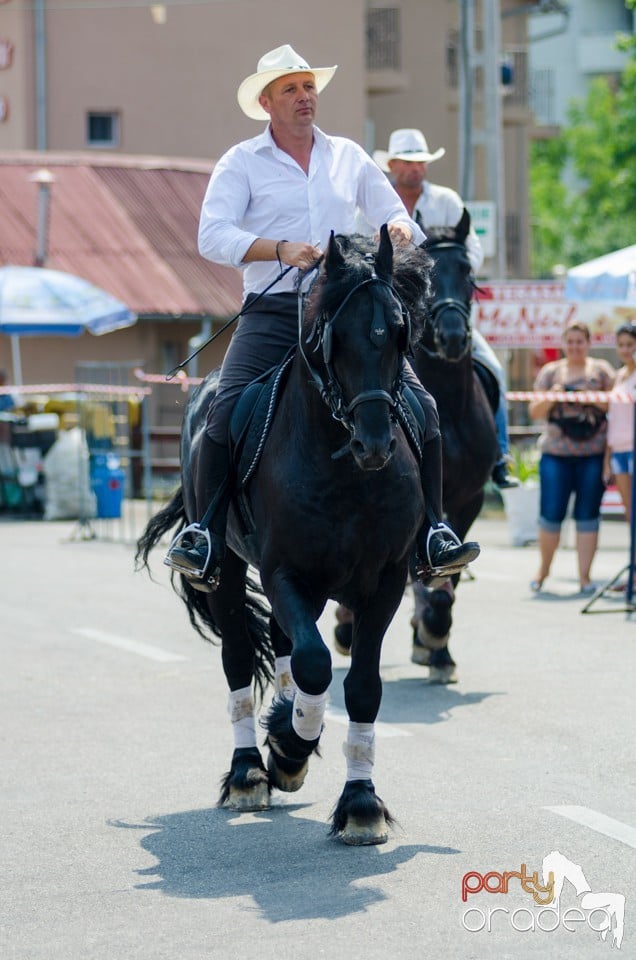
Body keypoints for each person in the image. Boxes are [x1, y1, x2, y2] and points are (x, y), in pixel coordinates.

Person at [164, 44, 479, 588]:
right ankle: (205, 535)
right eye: (290, 89)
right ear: (266, 102)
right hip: (273, 311)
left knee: (422, 405)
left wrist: (399, 232)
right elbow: (211, 236)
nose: (305, 96)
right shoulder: (240, 162)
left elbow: (399, 221)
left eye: (309, 86)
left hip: (347, 314)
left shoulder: (349, 156)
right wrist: (280, 249)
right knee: (223, 413)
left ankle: (433, 532)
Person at [369, 128, 518, 489]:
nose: (415, 168)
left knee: (493, 368)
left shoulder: (448, 201)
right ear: (392, 165)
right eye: (407, 162)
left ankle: (499, 455)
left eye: (420, 162)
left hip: (442, 309)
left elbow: (472, 249)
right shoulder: (375, 202)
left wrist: (455, 273)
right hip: (391, 313)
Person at [528, 321, 615, 595]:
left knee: (588, 516)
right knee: (550, 515)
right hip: (556, 454)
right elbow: (535, 411)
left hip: (593, 454)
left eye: (581, 341)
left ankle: (585, 578)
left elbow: (616, 404)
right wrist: (554, 397)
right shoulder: (550, 372)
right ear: (564, 344)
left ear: (589, 343)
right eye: (571, 341)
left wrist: (591, 397)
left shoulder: (601, 371)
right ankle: (543, 570)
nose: (576, 346)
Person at [603, 322, 636, 523]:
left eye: (631, 344)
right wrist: (607, 458)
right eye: (621, 344)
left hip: (634, 447)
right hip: (618, 449)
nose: (625, 349)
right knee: (629, 511)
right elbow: (612, 419)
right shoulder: (618, 376)